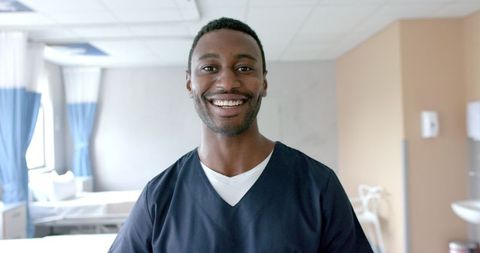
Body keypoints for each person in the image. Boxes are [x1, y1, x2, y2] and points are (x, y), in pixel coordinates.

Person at [108, 17, 373, 253]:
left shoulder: (318, 187)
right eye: (210, 68)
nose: (227, 82)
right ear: (190, 83)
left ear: (264, 83)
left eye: (244, 68)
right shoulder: (160, 197)